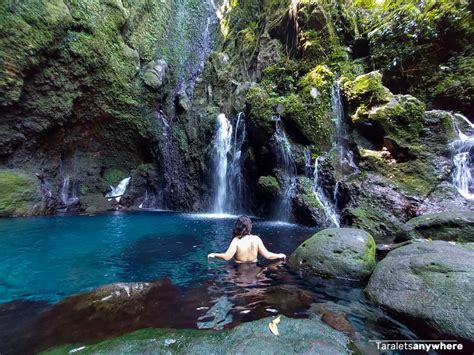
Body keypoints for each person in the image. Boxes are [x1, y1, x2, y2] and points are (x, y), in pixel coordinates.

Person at [207, 215, 286, 263]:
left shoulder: (236, 241)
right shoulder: (256, 239)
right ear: (249, 226)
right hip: (255, 269)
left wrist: (214, 254)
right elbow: (268, 255)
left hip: (239, 271)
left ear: (237, 226)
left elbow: (227, 257)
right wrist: (279, 255)